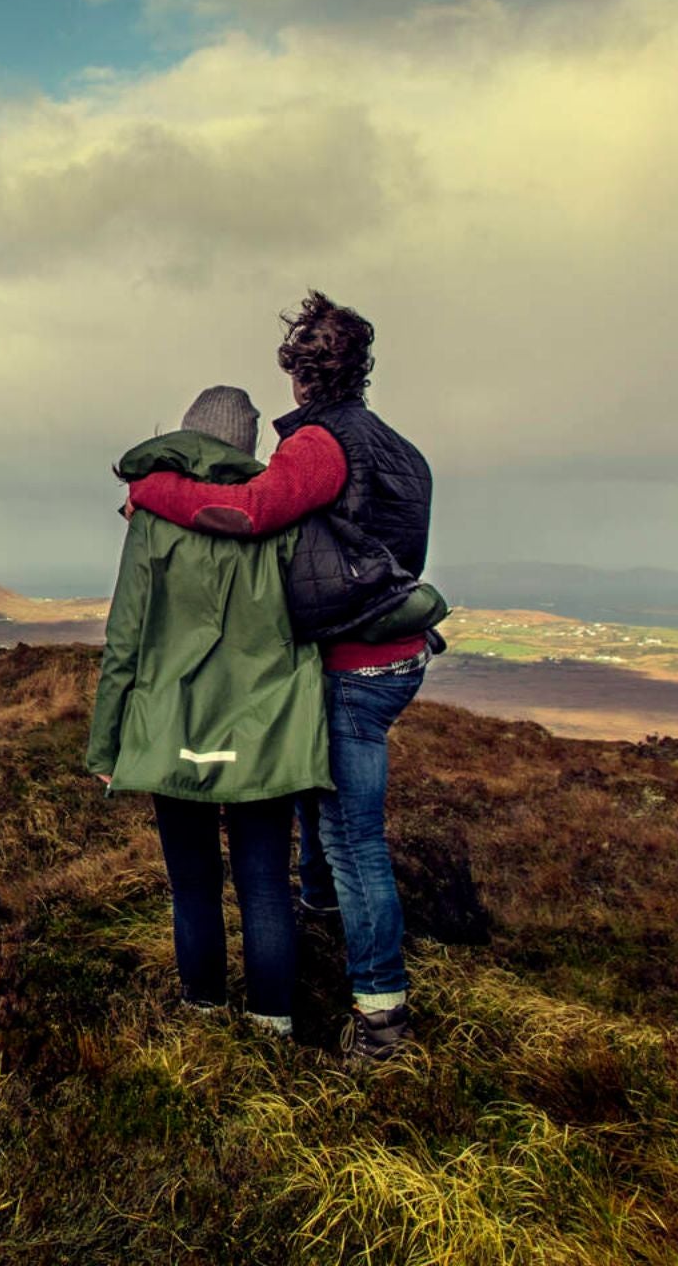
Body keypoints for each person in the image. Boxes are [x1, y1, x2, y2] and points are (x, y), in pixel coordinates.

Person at [123, 293, 436, 1062]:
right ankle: (321, 929)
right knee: (316, 828)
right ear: (359, 369)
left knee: (350, 835)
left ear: (301, 376)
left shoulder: (320, 446)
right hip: (395, 653)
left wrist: (151, 490)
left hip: (352, 664)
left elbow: (253, 512)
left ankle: (380, 1016)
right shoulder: (402, 450)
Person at [88, 385, 332, 1040]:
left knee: (193, 882)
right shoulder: (283, 516)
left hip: (173, 727)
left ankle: (203, 1012)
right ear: (248, 447)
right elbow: (310, 627)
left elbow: (124, 638)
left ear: (187, 437)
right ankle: (271, 1025)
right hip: (266, 733)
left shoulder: (152, 518)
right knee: (265, 884)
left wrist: (107, 747)